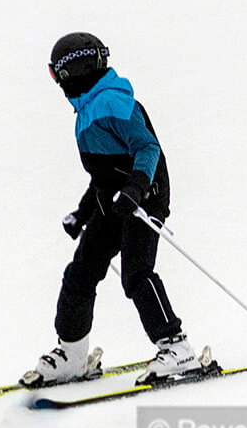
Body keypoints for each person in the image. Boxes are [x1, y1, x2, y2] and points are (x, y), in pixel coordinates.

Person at [23, 34, 202, 388]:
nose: (59, 82)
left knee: (136, 273)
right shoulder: (87, 109)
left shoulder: (113, 101)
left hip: (145, 198)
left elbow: (147, 149)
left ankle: (177, 347)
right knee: (80, 273)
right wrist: (82, 212)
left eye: (57, 74)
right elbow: (103, 176)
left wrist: (136, 190)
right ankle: (73, 354)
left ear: (70, 72)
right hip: (113, 203)